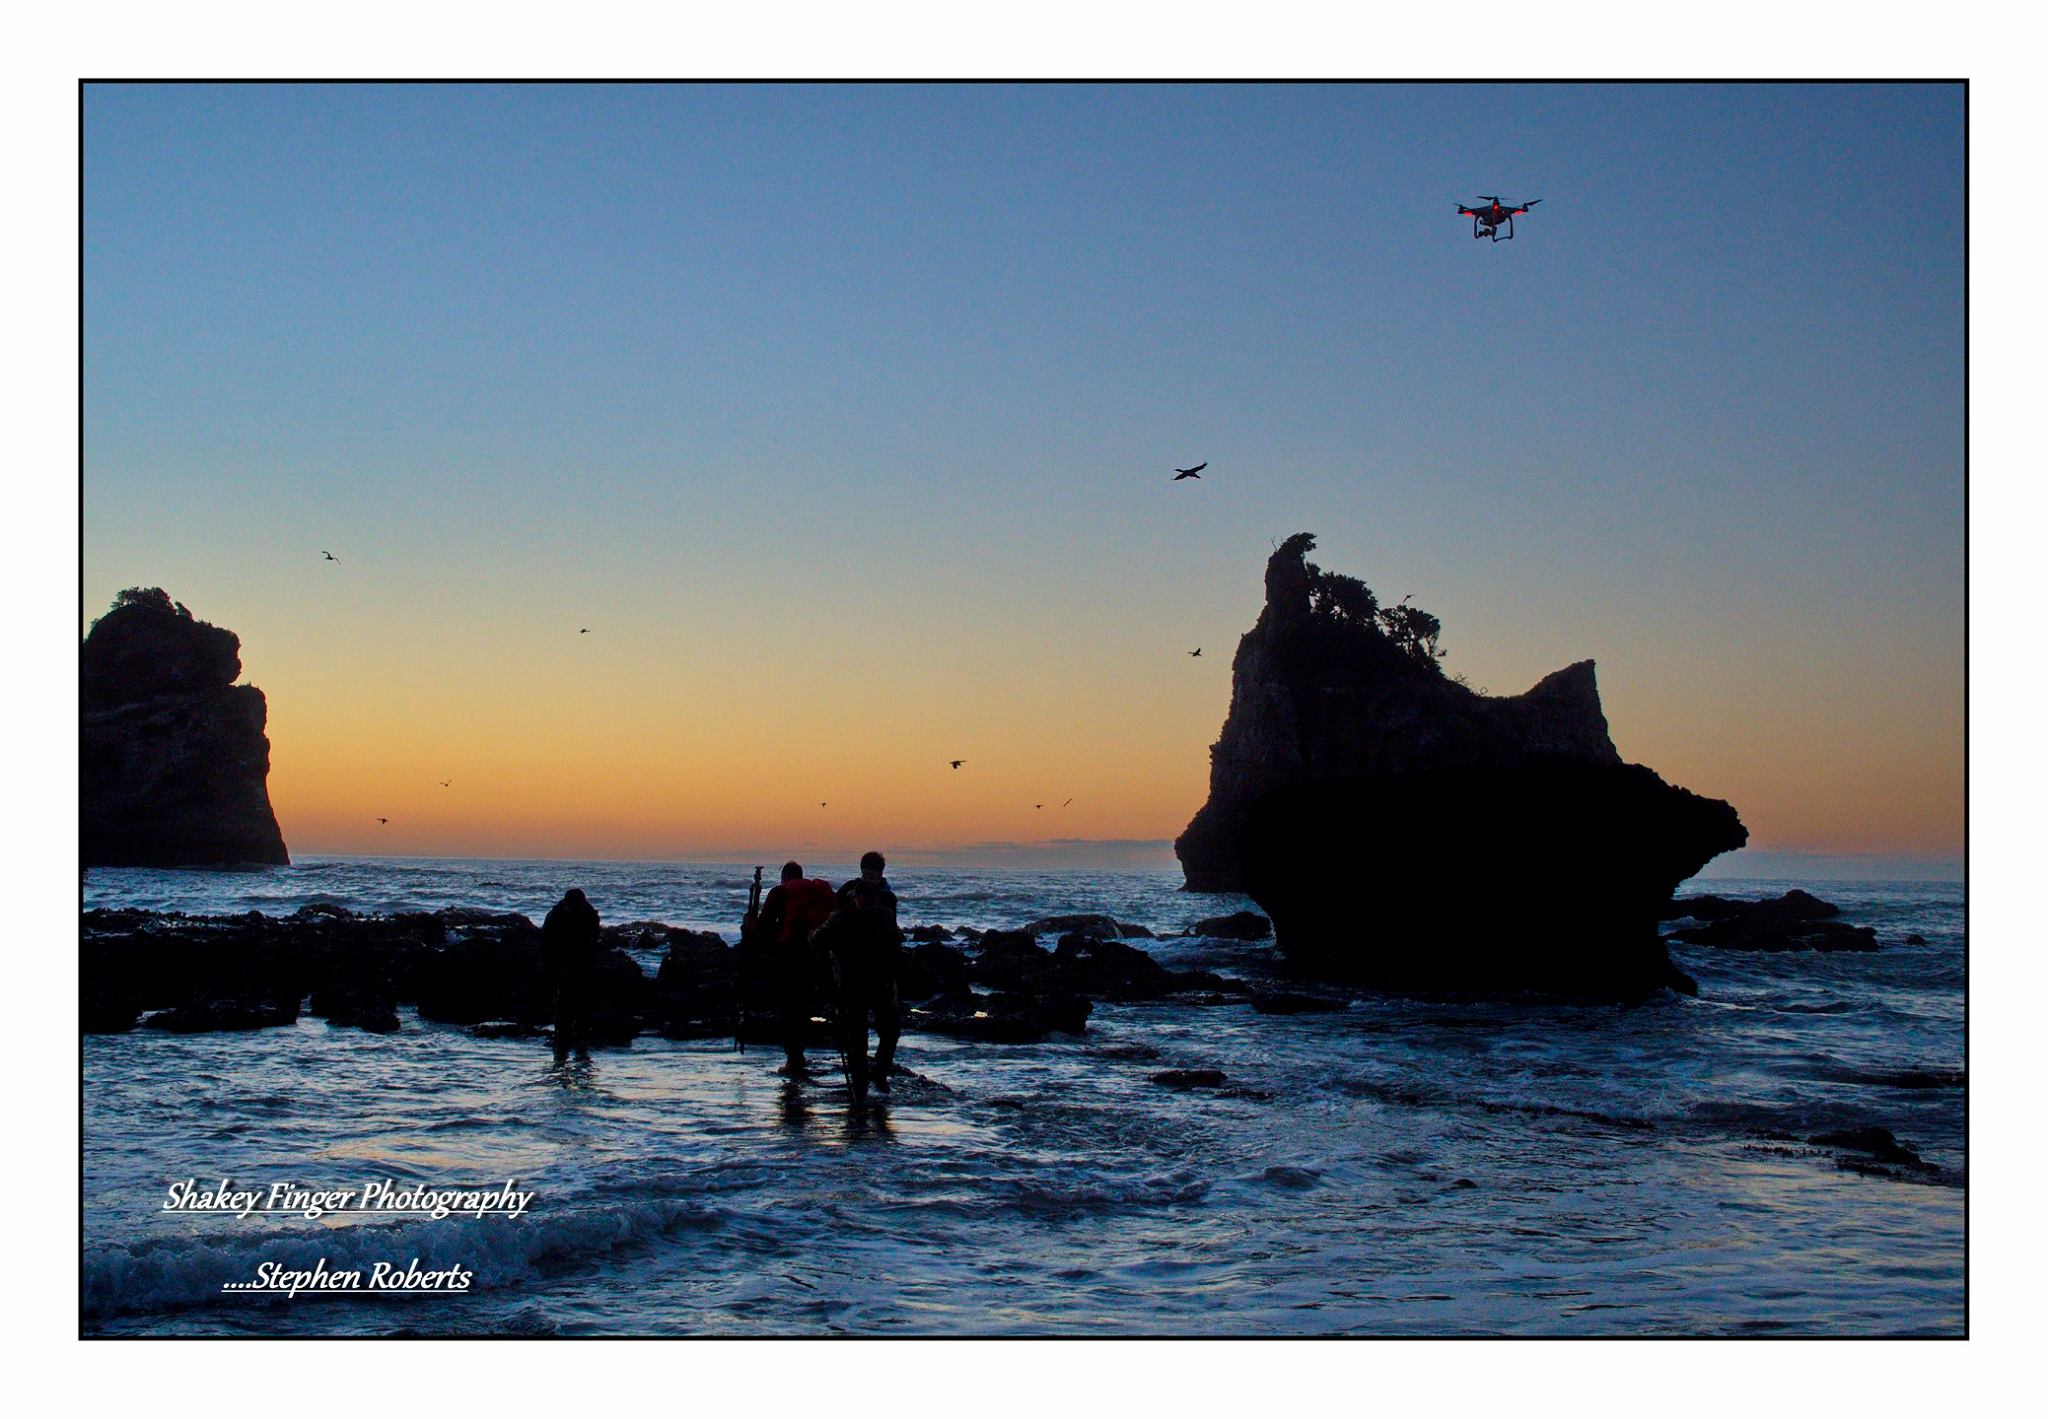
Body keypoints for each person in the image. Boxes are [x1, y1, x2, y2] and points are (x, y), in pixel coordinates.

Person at [814, 850, 904, 1100]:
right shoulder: (847, 898)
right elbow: (828, 926)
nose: (870, 876)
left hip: (878, 975)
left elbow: (892, 936)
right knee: (857, 1032)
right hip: (853, 975)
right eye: (866, 872)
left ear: (881, 873)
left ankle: (877, 1071)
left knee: (888, 1028)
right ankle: (861, 1077)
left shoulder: (886, 901)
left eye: (874, 872)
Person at [752, 861, 838, 1077]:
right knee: (803, 1006)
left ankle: (794, 1058)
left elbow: (763, 926)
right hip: (814, 955)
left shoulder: (780, 892)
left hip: (789, 955)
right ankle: (799, 1054)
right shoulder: (814, 892)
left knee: (790, 1008)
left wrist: (750, 925)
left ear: (785, 878)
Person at [541, 887, 602, 1058]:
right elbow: (546, 946)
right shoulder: (554, 917)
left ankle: (581, 1038)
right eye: (574, 908)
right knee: (563, 1005)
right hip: (560, 961)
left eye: (579, 907)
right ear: (567, 905)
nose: (577, 910)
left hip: (583, 962)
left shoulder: (590, 915)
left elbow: (593, 941)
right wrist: (555, 968)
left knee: (584, 1001)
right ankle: (561, 1042)